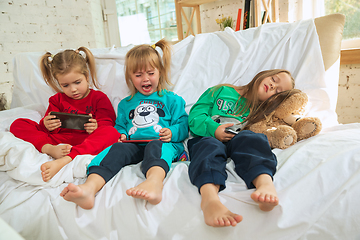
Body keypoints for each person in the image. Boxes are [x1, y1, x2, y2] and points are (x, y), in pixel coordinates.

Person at [60, 39, 189, 209]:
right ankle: (89, 188)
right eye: (138, 75)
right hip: (134, 144)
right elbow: (120, 125)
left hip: (161, 143)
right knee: (115, 150)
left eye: (150, 73)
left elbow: (183, 124)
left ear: (160, 72)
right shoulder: (126, 104)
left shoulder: (172, 99)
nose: (145, 79)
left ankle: (154, 183)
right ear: (130, 77)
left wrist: (172, 132)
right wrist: (121, 134)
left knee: (157, 147)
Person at [187, 69, 295, 227]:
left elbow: (280, 123)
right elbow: (195, 115)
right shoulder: (220, 90)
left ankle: (264, 183)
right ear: (265, 74)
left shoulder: (260, 112)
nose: (272, 85)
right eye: (274, 79)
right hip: (208, 136)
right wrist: (214, 129)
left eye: (277, 91)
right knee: (208, 146)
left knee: (254, 138)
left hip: (237, 139)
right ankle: (210, 200)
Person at [10, 47, 120, 182]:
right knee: (18, 124)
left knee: (111, 132)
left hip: (86, 141)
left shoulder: (98, 98)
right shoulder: (56, 100)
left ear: (86, 76)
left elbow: (108, 123)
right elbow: (45, 127)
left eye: (77, 82)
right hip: (58, 142)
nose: (73, 89)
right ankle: (48, 149)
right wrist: (46, 124)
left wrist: (96, 126)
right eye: (65, 85)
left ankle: (66, 160)